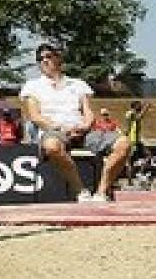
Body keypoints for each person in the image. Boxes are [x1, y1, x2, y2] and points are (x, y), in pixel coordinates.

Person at [20, 43, 100, 202]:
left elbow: (89, 112)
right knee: (51, 146)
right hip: (54, 131)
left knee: (123, 143)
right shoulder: (32, 86)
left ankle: (102, 193)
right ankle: (80, 190)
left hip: (82, 131)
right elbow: (35, 117)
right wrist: (62, 129)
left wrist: (85, 126)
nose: (44, 61)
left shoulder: (78, 84)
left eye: (48, 57)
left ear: (58, 58)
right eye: (40, 59)